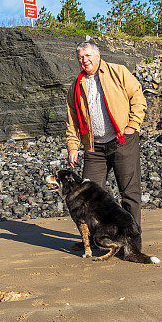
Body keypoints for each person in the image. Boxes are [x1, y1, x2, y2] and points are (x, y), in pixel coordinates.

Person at [66, 39, 146, 226]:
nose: (85, 60)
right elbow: (72, 120)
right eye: (80, 58)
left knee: (129, 193)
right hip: (94, 148)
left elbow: (138, 97)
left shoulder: (118, 72)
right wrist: (72, 147)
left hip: (122, 140)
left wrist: (132, 125)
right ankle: (96, 238)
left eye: (88, 56)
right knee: (87, 195)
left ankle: (132, 238)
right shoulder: (76, 86)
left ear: (98, 55)